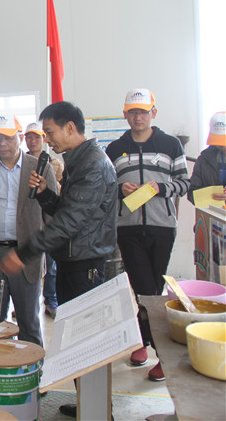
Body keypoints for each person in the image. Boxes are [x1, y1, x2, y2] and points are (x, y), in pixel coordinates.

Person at [0, 101, 117, 418]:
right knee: (75, 341)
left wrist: (25, 252)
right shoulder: (78, 160)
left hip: (86, 267)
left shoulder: (93, 165)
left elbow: (68, 223)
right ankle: (88, 403)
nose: (47, 140)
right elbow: (69, 211)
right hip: (73, 260)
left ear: (70, 127)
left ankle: (99, 412)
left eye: (50, 132)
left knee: (86, 342)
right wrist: (45, 195)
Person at [105, 88, 190, 382]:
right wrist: (120, 189)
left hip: (162, 227)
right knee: (144, 290)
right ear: (125, 114)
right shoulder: (115, 149)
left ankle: (144, 343)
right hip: (128, 228)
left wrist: (160, 188)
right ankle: (156, 350)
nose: (138, 117)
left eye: (143, 111)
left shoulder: (170, 144)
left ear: (153, 113)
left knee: (153, 289)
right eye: (132, 112)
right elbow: (105, 187)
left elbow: (184, 183)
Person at [0, 115, 57, 346]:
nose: (2, 143)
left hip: (27, 255)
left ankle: (33, 366)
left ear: (19, 138)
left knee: (29, 322)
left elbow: (52, 215)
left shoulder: (40, 169)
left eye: (8, 138)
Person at [25, 121, 63, 318]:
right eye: (29, 137)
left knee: (50, 264)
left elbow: (60, 192)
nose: (33, 141)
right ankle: (26, 303)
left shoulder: (55, 163)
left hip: (48, 218)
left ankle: (51, 300)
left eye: (37, 137)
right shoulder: (20, 162)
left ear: (44, 139)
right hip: (27, 219)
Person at [188, 111, 226, 204]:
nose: (222, 146)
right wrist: (209, 195)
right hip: (212, 212)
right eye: (219, 143)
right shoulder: (204, 159)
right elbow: (191, 194)